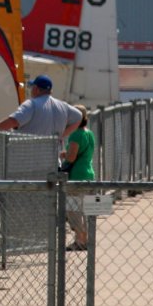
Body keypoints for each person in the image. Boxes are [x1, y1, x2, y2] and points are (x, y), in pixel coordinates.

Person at [0, 75, 82, 145]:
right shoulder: (63, 106)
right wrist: (61, 136)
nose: (30, 90)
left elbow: (14, 121)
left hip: (27, 160)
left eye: (32, 87)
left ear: (37, 89)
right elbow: (79, 117)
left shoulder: (32, 104)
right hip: (52, 161)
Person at [60, 104, 95, 251]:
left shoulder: (76, 134)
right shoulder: (89, 133)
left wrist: (63, 155)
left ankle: (80, 240)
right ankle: (85, 239)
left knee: (73, 210)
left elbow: (72, 157)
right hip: (88, 173)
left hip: (76, 176)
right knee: (86, 210)